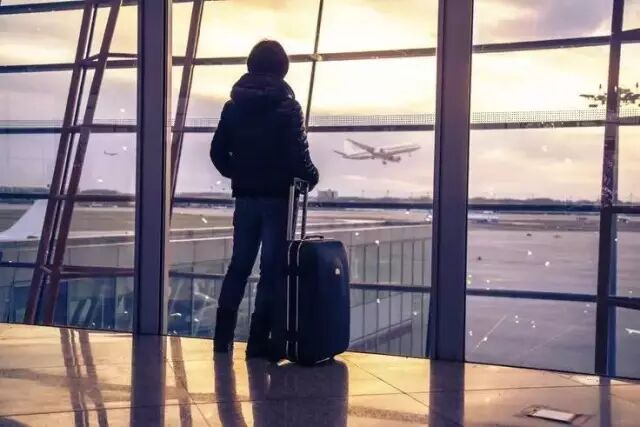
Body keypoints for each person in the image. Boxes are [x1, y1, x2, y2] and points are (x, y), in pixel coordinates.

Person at [209, 40, 319, 358]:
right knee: (271, 270)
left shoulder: (233, 107)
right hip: (277, 197)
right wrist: (312, 176)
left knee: (239, 266)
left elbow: (217, 152)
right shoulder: (288, 107)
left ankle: (222, 339)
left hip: (245, 197)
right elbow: (298, 155)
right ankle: (258, 341)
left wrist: (240, 174)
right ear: (282, 68)